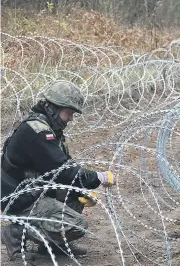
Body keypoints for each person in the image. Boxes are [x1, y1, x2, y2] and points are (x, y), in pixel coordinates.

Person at [1, 81, 114, 261]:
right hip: (20, 198)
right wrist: (97, 177)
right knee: (76, 225)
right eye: (69, 113)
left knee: (76, 192)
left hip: (34, 190)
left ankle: (54, 245)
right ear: (54, 107)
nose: (70, 118)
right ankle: (14, 232)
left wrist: (83, 186)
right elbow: (64, 172)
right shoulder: (37, 132)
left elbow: (63, 167)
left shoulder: (49, 127)